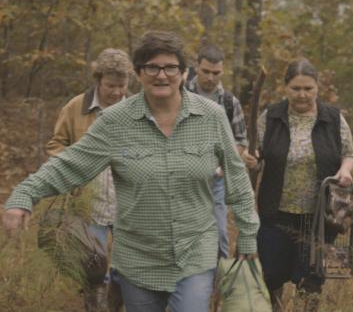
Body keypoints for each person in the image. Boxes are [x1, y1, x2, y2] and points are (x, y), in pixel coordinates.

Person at [2, 30, 259, 312]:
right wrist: (25, 194)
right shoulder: (115, 121)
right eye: (152, 67)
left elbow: (236, 176)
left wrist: (247, 232)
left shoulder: (211, 116)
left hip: (194, 254)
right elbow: (70, 164)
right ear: (139, 72)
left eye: (170, 67)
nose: (162, 76)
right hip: (138, 260)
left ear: (184, 72)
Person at [252, 58, 353, 311]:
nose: (302, 94)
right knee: (271, 273)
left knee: (312, 277)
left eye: (308, 88)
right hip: (276, 213)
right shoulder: (272, 116)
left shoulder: (332, 117)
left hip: (320, 217)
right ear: (285, 88)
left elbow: (348, 153)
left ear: (317, 87)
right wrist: (250, 158)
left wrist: (345, 170)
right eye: (296, 88)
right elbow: (255, 154)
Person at [45, 48, 133, 311]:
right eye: (110, 86)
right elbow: (56, 143)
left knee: (124, 266)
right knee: (94, 265)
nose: (117, 92)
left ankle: (116, 305)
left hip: (127, 201)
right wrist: (71, 167)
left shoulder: (137, 109)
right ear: (98, 80)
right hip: (89, 201)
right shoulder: (76, 107)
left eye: (122, 85)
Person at [185, 44, 250, 259]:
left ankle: (220, 284)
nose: (211, 78)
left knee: (220, 234)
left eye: (216, 73)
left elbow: (240, 141)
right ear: (197, 67)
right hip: (181, 175)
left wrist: (224, 166)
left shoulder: (230, 102)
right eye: (206, 72)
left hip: (216, 180)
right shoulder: (179, 93)